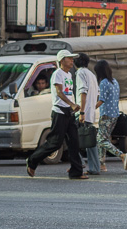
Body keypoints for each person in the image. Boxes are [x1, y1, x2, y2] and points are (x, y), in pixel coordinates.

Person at [26, 50, 87, 179]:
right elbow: (59, 92)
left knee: (74, 142)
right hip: (59, 112)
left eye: (72, 59)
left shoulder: (69, 74)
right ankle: (32, 161)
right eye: (69, 59)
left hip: (69, 112)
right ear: (62, 60)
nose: (72, 61)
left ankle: (76, 172)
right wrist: (71, 104)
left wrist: (74, 106)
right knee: (55, 143)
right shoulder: (57, 74)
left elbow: (69, 92)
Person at [94, 59, 127, 173]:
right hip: (115, 115)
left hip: (106, 115)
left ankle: (122, 155)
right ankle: (102, 165)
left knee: (100, 140)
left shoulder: (103, 83)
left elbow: (101, 100)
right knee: (104, 139)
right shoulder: (115, 81)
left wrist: (90, 108)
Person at [75, 53, 100, 175]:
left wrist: (82, 112)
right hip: (90, 112)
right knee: (90, 141)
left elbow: (82, 92)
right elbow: (98, 94)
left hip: (82, 111)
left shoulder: (80, 73)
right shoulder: (91, 74)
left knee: (70, 137)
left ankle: (79, 163)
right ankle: (95, 167)